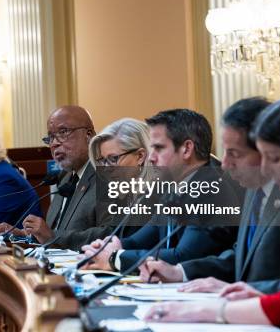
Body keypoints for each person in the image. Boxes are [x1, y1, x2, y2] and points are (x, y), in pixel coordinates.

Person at [145, 92, 280, 332]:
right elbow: (252, 258)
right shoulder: (267, 193)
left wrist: (208, 311)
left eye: (274, 157)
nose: (266, 168)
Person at [139, 97, 280, 294]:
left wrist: (246, 290)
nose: (224, 164)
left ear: (264, 149)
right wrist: (180, 272)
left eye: (235, 154)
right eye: (225, 152)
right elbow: (240, 257)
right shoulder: (253, 191)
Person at [81, 109, 241, 272]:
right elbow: (142, 239)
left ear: (186, 149)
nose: (151, 157)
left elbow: (184, 256)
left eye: (159, 148)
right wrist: (108, 247)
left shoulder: (211, 190)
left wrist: (116, 258)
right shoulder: (172, 187)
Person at [0, 106, 113, 250]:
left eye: (63, 132)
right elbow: (54, 232)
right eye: (51, 137)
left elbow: (111, 234)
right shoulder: (65, 178)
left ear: (89, 135)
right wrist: (21, 235)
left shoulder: (109, 177)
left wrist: (52, 237)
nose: (54, 143)